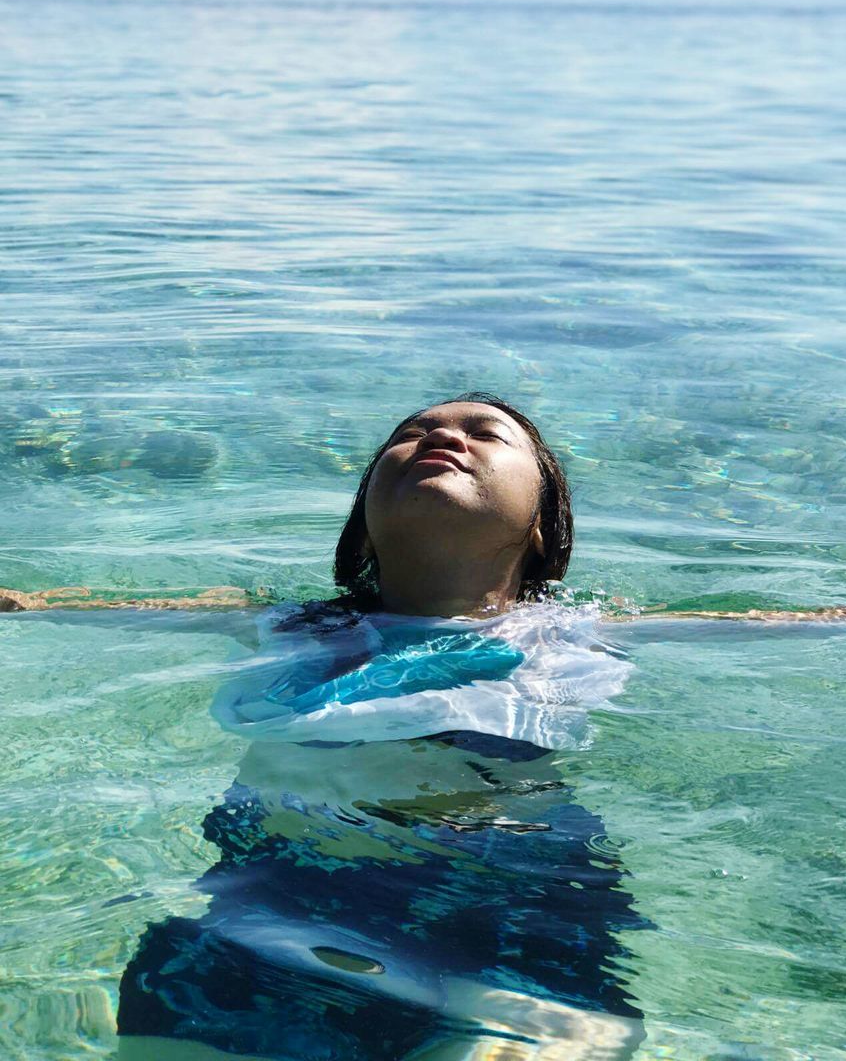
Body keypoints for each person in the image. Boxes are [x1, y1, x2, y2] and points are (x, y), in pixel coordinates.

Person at [106, 392, 652, 1059]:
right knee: (183, 1020)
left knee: (554, 1038)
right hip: (291, 877)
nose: (443, 438)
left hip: (513, 878)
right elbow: (61, 607)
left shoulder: (572, 633)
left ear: (540, 524)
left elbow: (785, 629)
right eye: (412, 433)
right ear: (365, 522)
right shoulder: (289, 622)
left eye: (485, 432)